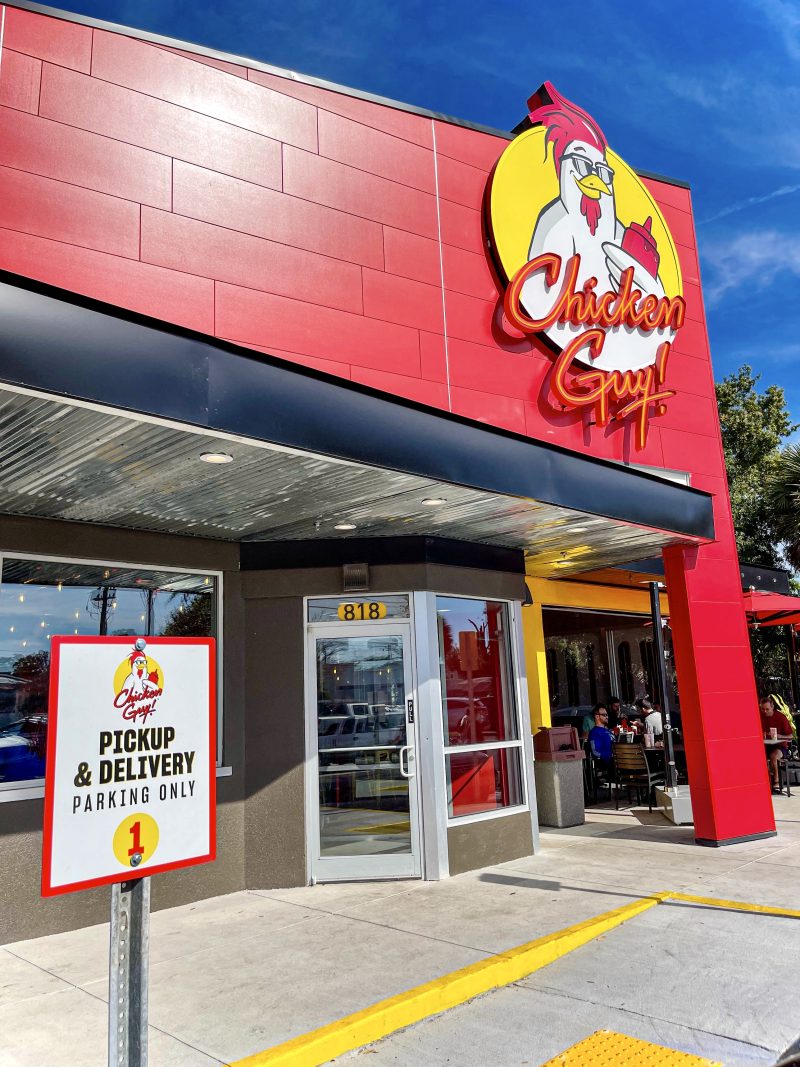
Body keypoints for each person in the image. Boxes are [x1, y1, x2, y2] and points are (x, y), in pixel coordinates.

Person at [759, 695, 794, 792]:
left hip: (780, 746)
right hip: (765, 745)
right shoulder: (759, 717)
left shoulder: (780, 717)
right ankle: (763, 781)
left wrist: (779, 736)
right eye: (763, 709)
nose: (765, 711)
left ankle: (776, 782)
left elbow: (791, 736)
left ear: (772, 707)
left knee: (773, 756)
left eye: (767, 709)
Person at [588, 703, 614, 776]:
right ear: (597, 716)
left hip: (619, 760)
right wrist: (610, 755)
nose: (607, 717)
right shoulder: (594, 732)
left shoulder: (608, 730)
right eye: (604, 715)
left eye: (607, 715)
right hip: (611, 763)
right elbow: (595, 752)